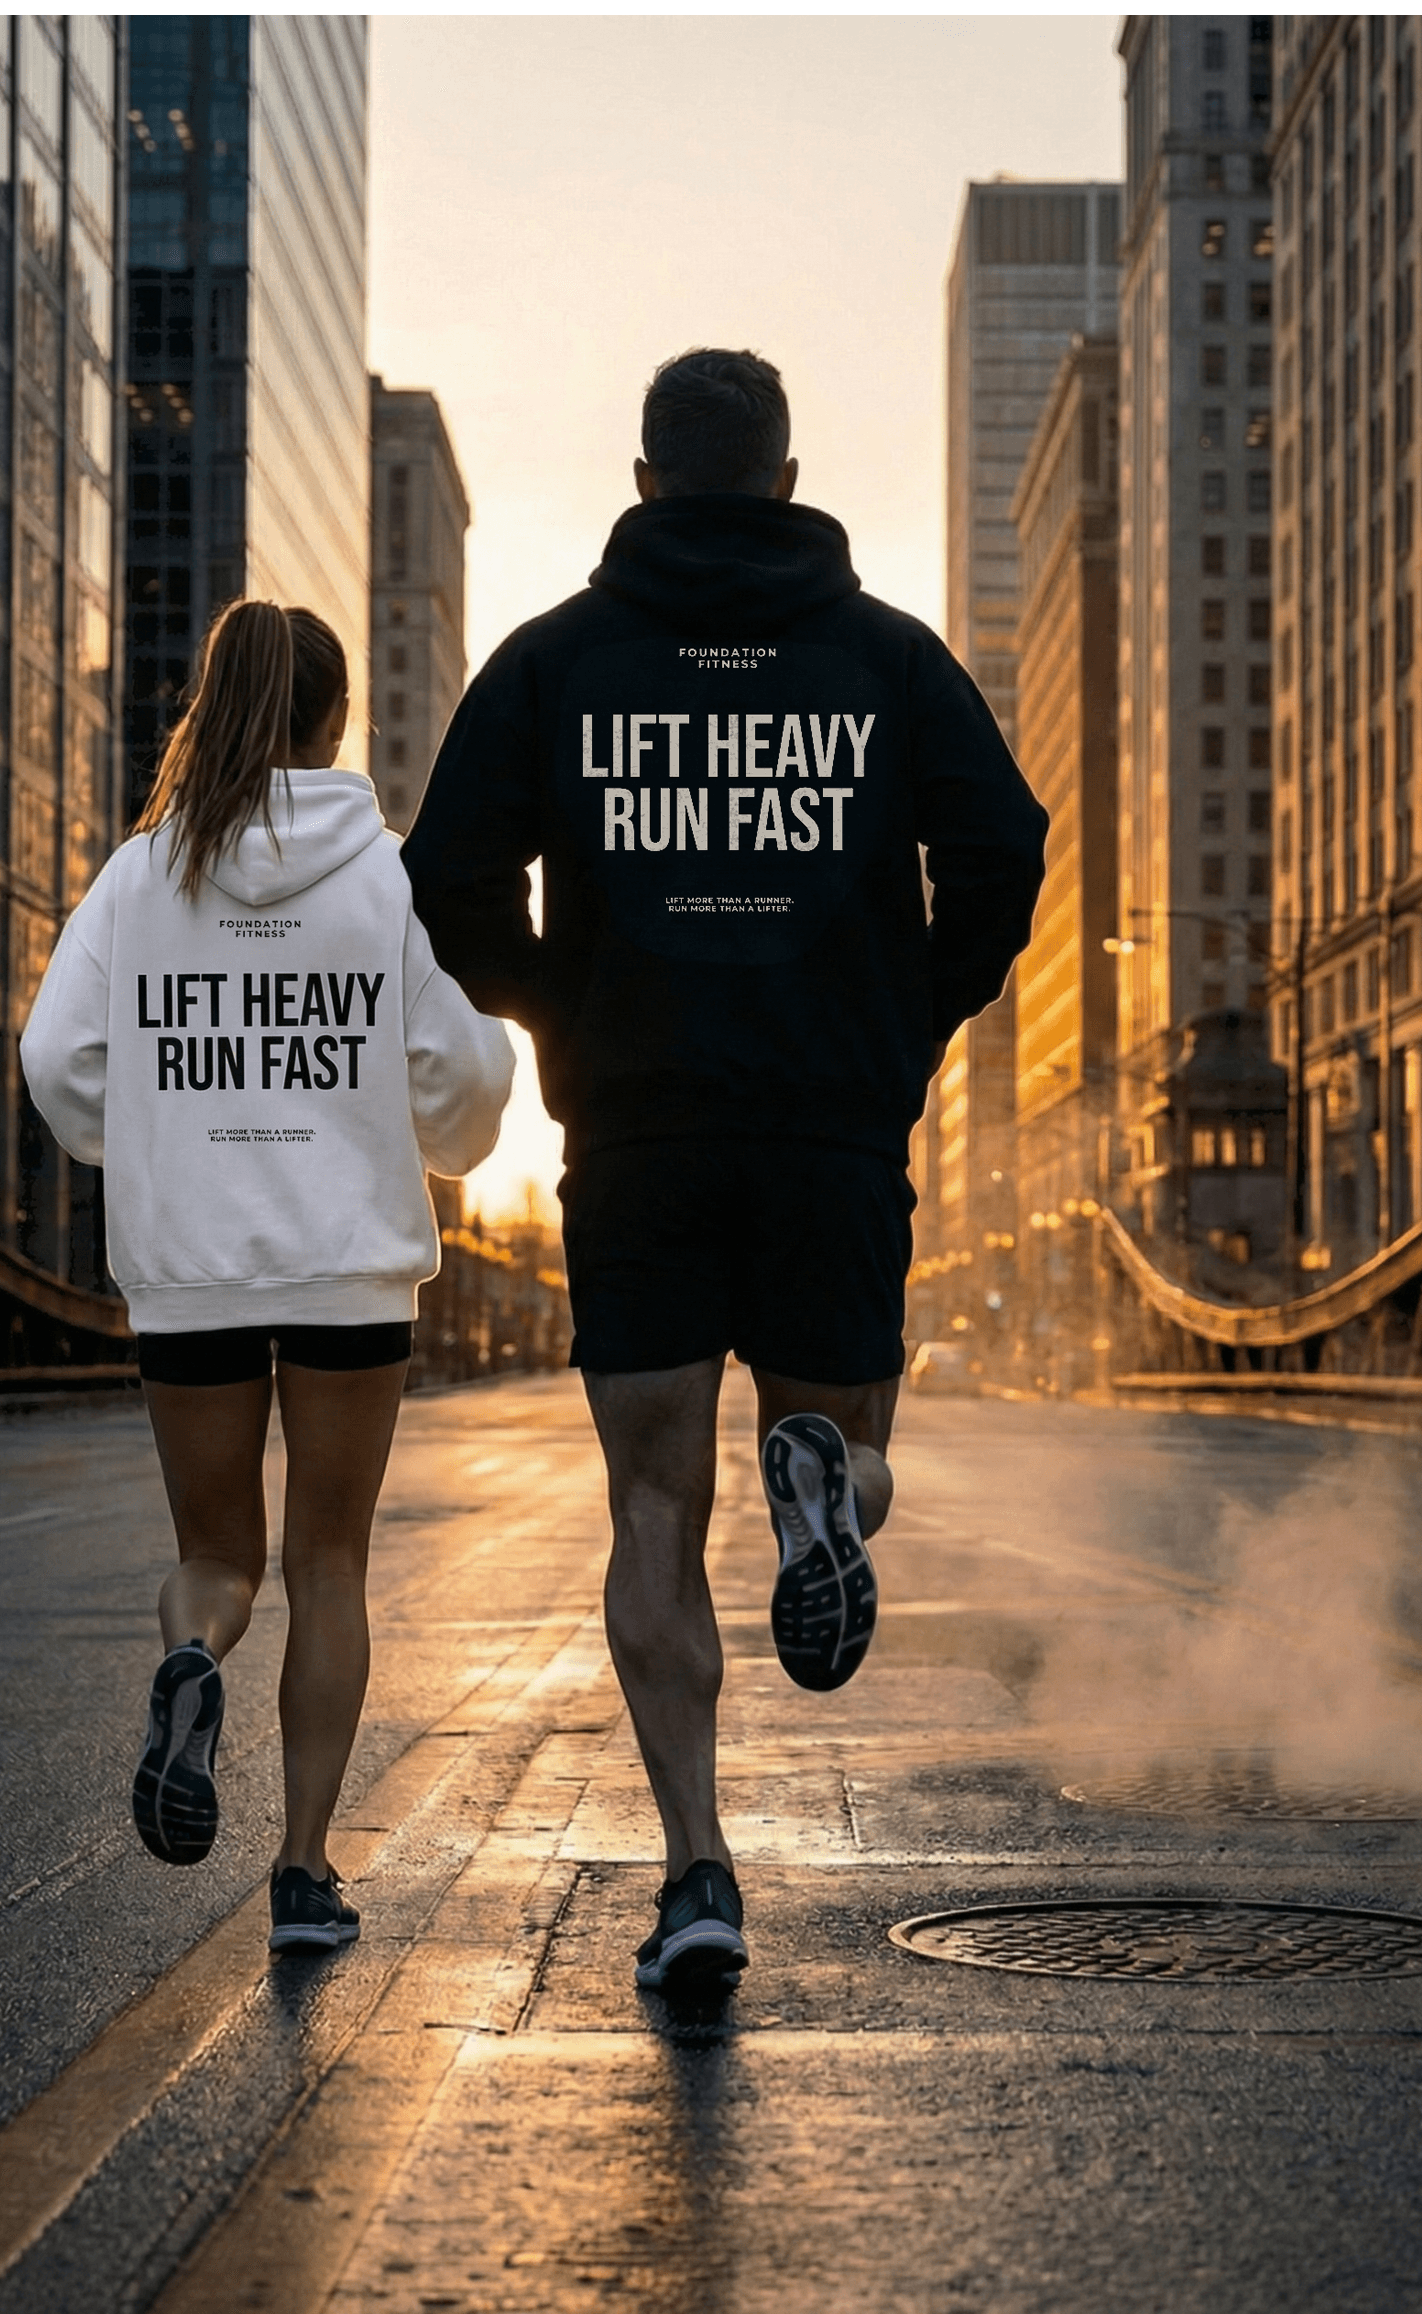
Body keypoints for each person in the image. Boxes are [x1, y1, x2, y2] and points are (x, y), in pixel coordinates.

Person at [401, 349, 1046, 1996]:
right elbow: (1004, 847)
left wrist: (563, 1002)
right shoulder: (889, 659)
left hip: (641, 1136)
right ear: (784, 479)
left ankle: (697, 1872)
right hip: (832, 1130)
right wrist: (904, 1013)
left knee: (652, 1504)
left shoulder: (556, 663)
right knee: (852, 1442)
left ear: (643, 484)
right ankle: (829, 1487)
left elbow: (450, 874)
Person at [22, 601, 514, 1951]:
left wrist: (163, 1142)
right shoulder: (393, 880)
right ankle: (303, 1870)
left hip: (192, 1276)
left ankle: (192, 1655)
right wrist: (448, 1135)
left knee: (218, 1555)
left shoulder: (140, 880)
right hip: (348, 1271)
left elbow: (57, 1059)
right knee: (332, 1560)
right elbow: (462, 1081)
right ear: (335, 721)